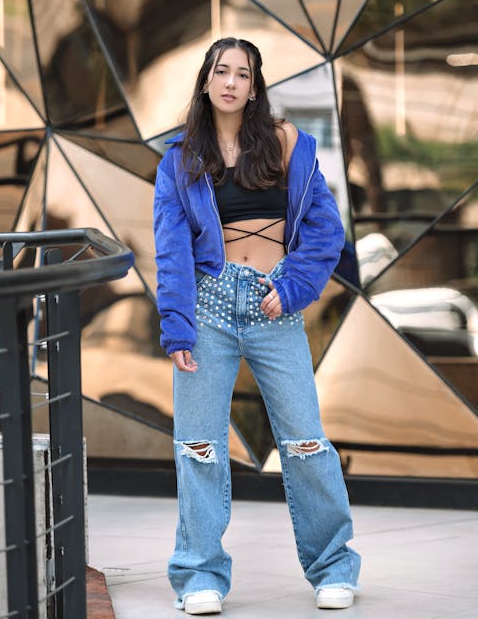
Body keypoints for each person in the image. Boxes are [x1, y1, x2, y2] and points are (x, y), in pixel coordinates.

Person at [153, 37, 361, 616]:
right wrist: (177, 326)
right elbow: (170, 249)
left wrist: (291, 288)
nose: (230, 82)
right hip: (209, 305)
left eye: (242, 74)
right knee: (198, 447)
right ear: (205, 80)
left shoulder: (288, 142)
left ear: (254, 83)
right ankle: (199, 576)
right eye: (221, 71)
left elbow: (325, 232)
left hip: (275, 304)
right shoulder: (180, 158)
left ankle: (333, 567)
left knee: (305, 441)